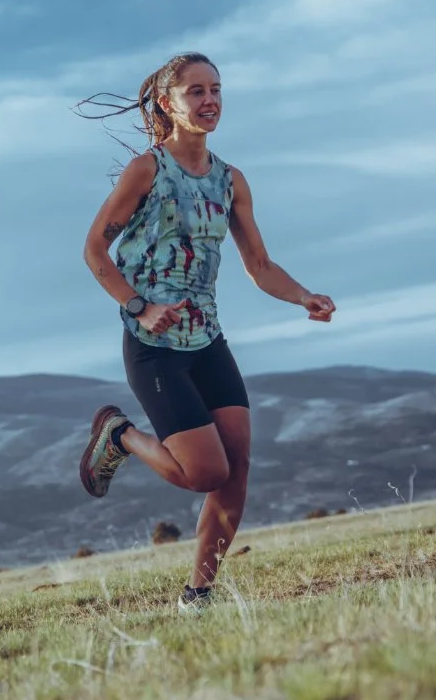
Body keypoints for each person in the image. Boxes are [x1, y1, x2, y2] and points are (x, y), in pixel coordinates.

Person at [76, 52, 336, 612]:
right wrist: (140, 306)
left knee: (237, 466)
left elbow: (260, 265)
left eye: (216, 89)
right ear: (169, 103)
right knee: (205, 471)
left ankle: (199, 593)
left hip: (208, 340)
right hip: (154, 347)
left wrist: (303, 296)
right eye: (195, 91)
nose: (209, 99)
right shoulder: (146, 171)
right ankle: (119, 435)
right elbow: (95, 251)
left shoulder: (230, 180)